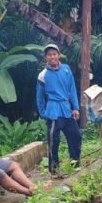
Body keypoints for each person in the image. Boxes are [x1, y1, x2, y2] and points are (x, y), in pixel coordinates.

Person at [36, 43, 82, 177]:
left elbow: (72, 90)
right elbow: (39, 97)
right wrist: (43, 113)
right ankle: (54, 169)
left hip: (66, 110)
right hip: (53, 112)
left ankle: (75, 164)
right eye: (49, 55)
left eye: (54, 54)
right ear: (46, 57)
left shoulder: (66, 69)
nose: (52, 57)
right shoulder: (42, 75)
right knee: (53, 142)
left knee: (75, 136)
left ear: (59, 55)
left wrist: (75, 107)